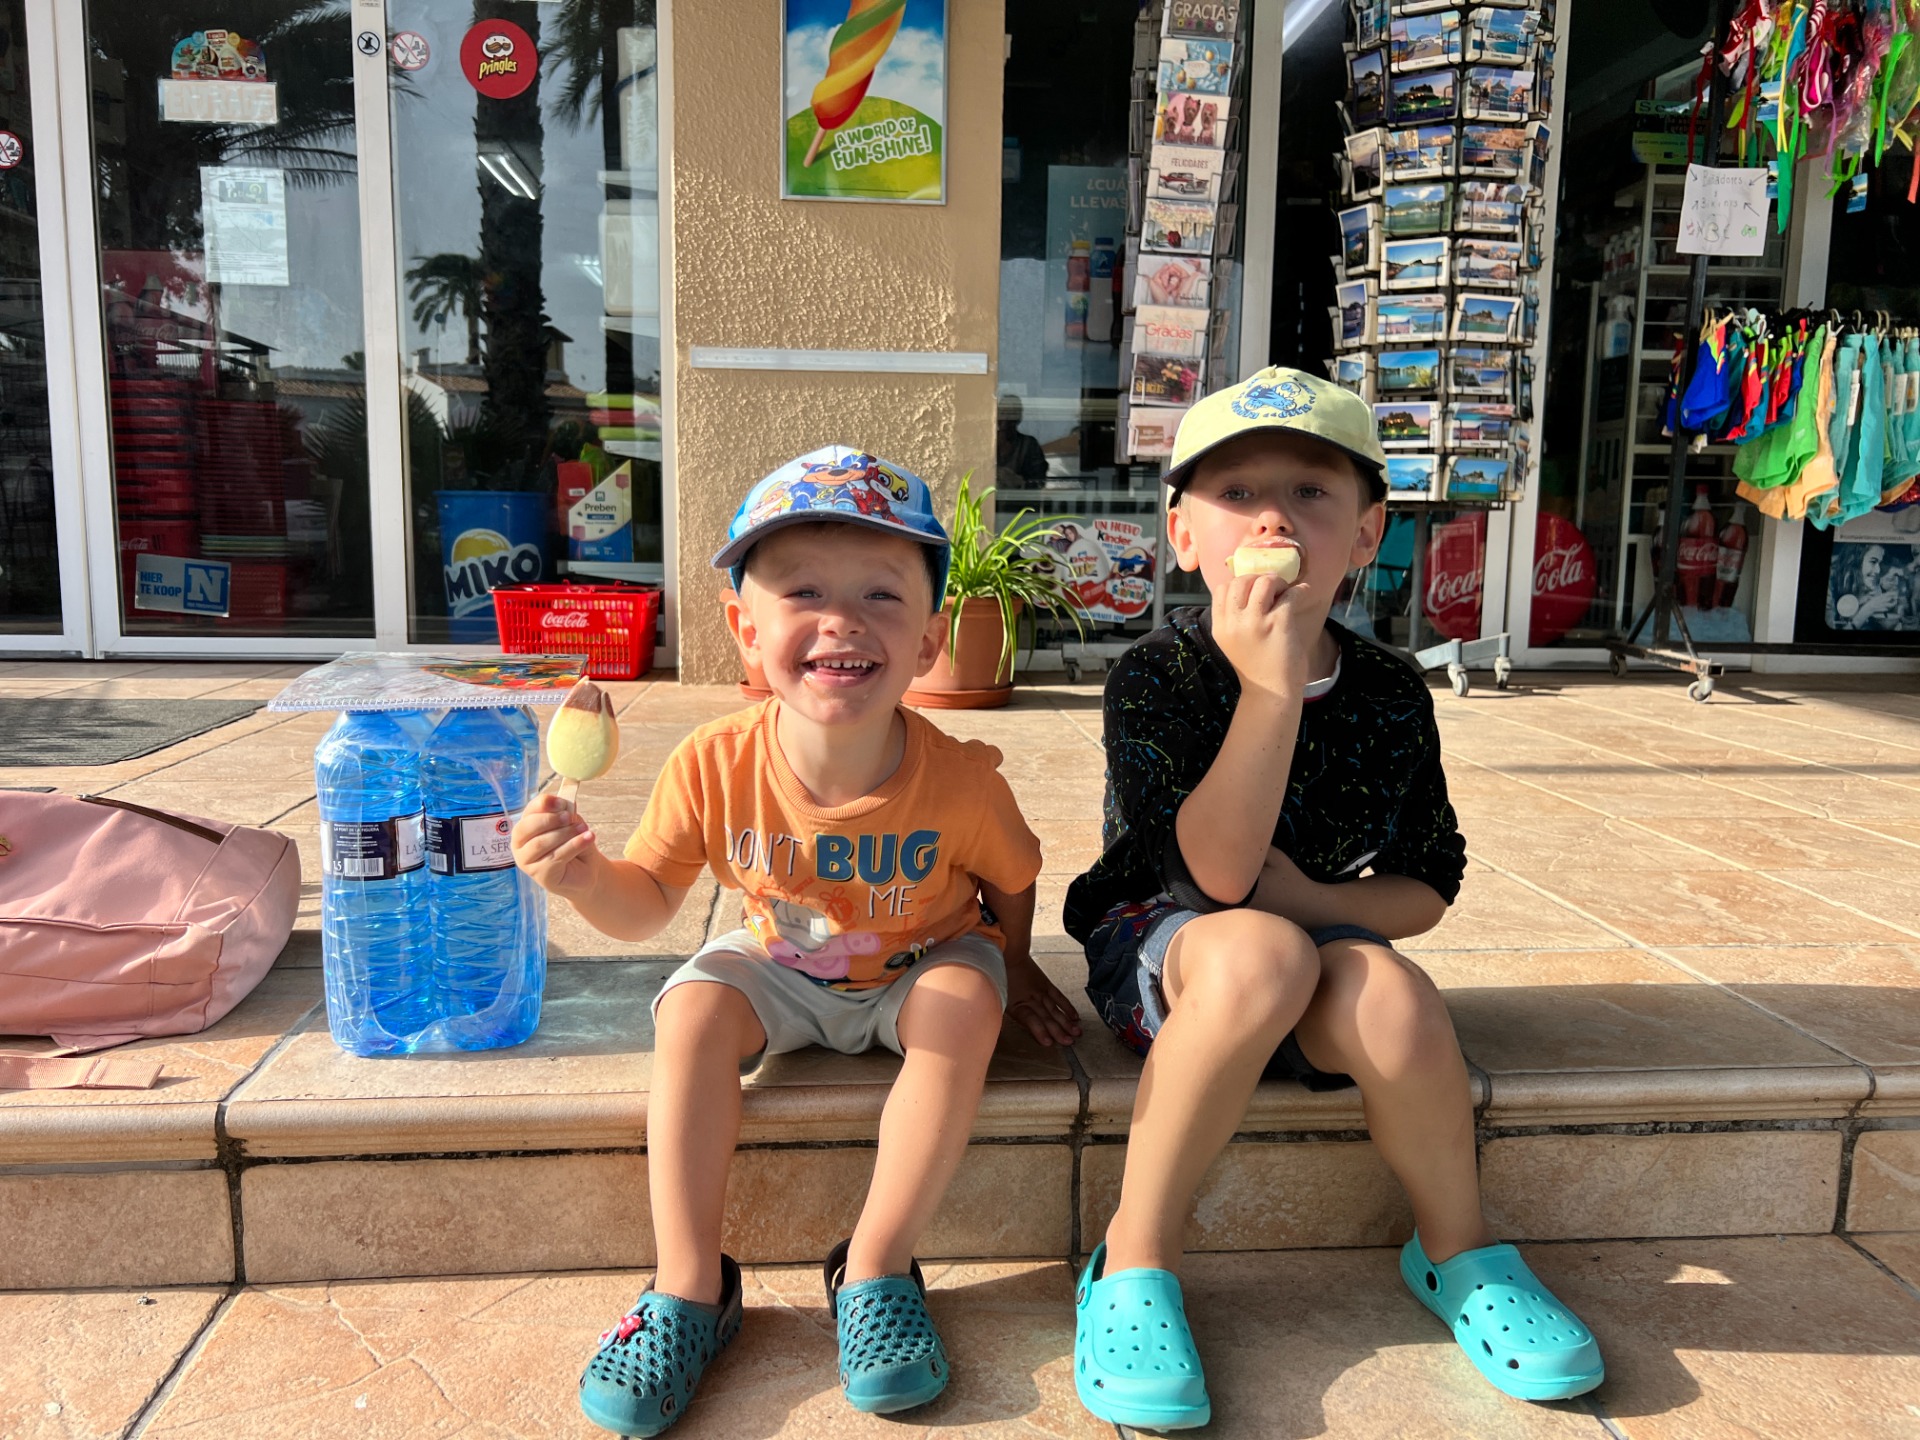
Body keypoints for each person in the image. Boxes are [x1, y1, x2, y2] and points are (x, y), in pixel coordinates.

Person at [1062, 368, 1604, 1431]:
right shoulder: (1159, 676)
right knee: (1258, 951)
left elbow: (1428, 881)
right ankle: (1131, 1259)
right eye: (1237, 494)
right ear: (1183, 534)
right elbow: (1213, 880)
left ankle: (1458, 1251)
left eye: (1311, 492)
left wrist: (1314, 900)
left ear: (1365, 534)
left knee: (1392, 994)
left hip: (1310, 947)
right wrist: (1268, 688)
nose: (1273, 518)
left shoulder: (1390, 690)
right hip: (1169, 951)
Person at [513, 446, 1083, 1437]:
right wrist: (584, 879)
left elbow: (1014, 877)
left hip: (921, 960)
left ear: (929, 641)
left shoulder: (962, 782)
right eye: (803, 591)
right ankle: (689, 1286)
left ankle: (875, 1268)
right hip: (780, 962)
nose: (842, 620)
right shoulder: (714, 763)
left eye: (881, 595)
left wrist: (1016, 961)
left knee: (964, 1006)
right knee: (691, 1012)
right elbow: (647, 905)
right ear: (746, 629)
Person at [996, 394, 1050, 489]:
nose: (1005, 418)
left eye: (1010, 414)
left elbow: (1039, 482)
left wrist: (1017, 481)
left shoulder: (1029, 445)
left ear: (1018, 417)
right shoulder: (985, 444)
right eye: (1002, 413)